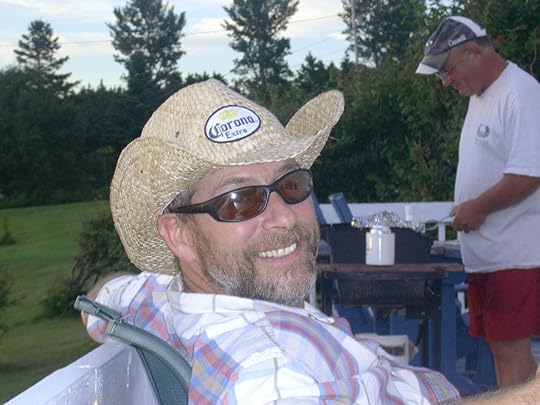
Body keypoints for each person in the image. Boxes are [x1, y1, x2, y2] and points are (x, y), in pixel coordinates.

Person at [84, 78, 461, 404]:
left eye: (291, 185)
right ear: (178, 235)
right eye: (239, 201)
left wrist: (106, 293)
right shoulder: (267, 371)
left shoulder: (164, 300)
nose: (284, 216)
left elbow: (104, 297)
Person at [416, 16, 540, 388]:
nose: (446, 81)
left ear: (473, 52)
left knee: (511, 349)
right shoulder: (482, 96)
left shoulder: (520, 92)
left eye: (447, 70)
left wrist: (478, 207)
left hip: (515, 255)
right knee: (500, 349)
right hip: (488, 257)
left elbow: (530, 173)